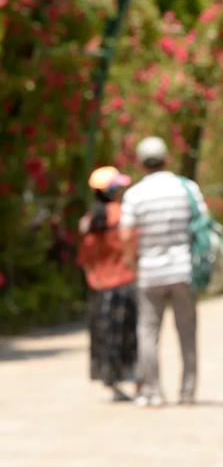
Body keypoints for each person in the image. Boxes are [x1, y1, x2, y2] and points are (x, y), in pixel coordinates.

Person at [119, 136, 209, 407]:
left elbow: (125, 235)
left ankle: (154, 392)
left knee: (147, 333)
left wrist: (133, 262)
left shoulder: (135, 194)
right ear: (166, 158)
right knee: (187, 332)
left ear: (140, 162)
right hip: (183, 270)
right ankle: (188, 391)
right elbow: (203, 223)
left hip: (149, 272)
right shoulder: (187, 188)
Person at [77, 166, 137, 402]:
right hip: (123, 282)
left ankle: (111, 382)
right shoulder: (122, 216)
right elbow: (132, 246)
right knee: (126, 333)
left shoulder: (88, 221)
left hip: (98, 286)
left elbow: (84, 258)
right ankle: (130, 378)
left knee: (104, 334)